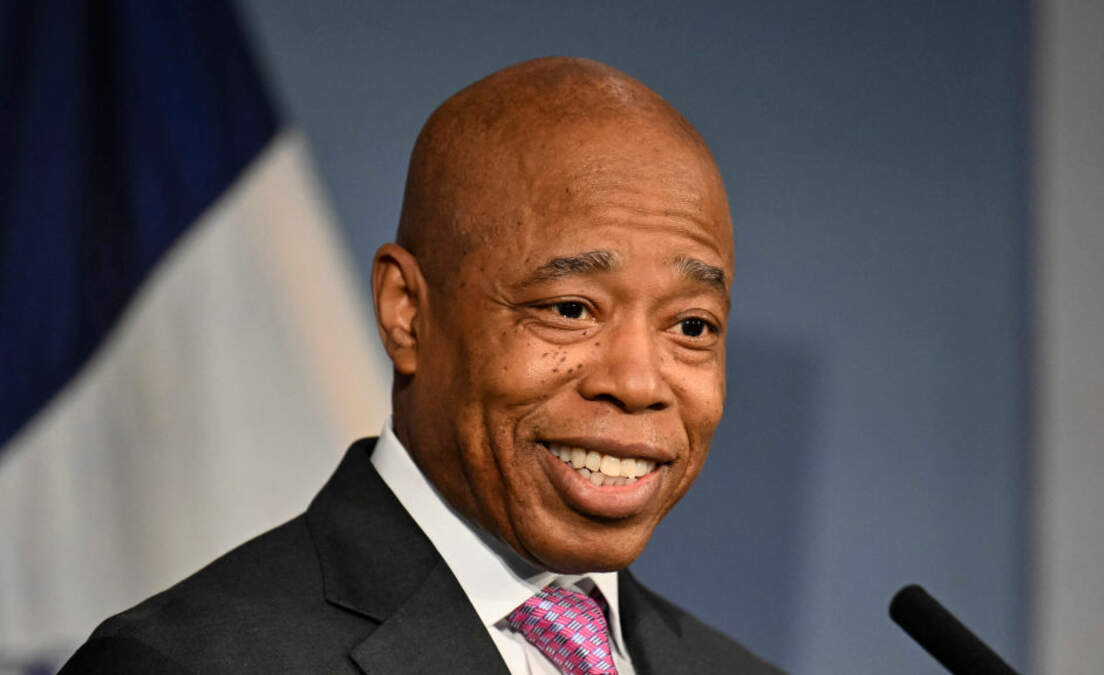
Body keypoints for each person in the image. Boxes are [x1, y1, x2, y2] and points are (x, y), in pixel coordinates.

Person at [62, 57, 781, 674]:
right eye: (569, 309)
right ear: (406, 310)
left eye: (692, 326)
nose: (637, 383)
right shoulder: (186, 662)